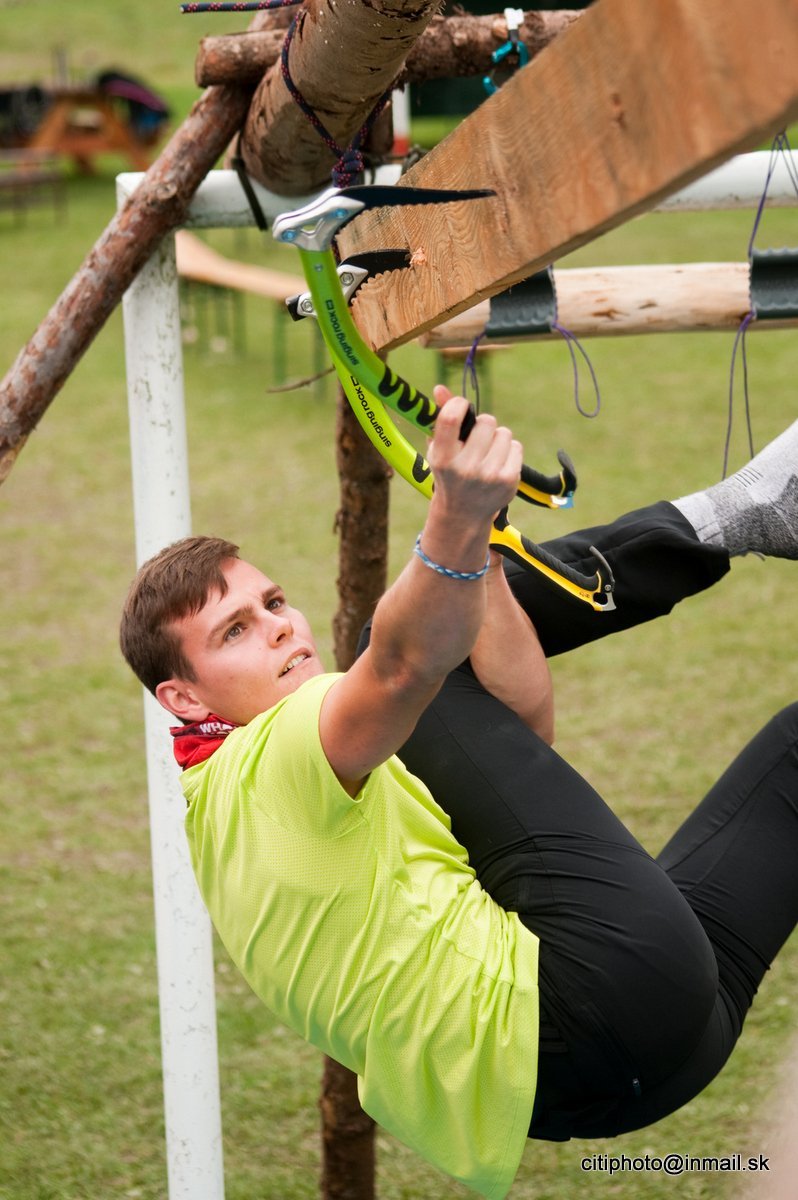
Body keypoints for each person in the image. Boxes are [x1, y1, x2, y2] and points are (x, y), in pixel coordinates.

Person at [120, 388, 798, 1199]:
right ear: (184, 698)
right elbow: (405, 663)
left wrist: (484, 558)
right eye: (234, 631)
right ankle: (738, 514)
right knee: (387, 644)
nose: (277, 626)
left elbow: (520, 725)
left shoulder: (272, 787)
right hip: (592, 1001)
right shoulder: (271, 756)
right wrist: (454, 521)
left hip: (627, 1074)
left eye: (271, 603)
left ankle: (739, 513)